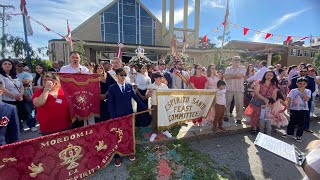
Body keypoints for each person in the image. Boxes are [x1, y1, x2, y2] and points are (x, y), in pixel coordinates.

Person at [108, 68, 148, 167]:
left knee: (129, 134)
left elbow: (136, 99)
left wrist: (145, 108)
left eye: (125, 75)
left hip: (129, 116)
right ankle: (117, 156)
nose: (123, 77)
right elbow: (110, 104)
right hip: (117, 117)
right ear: (117, 75)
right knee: (118, 136)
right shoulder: (112, 88)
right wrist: (113, 117)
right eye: (121, 75)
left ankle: (130, 151)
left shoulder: (129, 87)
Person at [283, 77, 311, 143]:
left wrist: (302, 91)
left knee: (301, 123)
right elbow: (289, 99)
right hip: (294, 109)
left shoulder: (308, 91)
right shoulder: (293, 91)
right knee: (292, 121)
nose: (302, 85)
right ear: (297, 84)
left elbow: (306, 99)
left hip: (303, 109)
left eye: (304, 84)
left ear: (306, 84)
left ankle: (299, 135)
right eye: (300, 83)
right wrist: (288, 108)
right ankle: (289, 133)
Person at [146, 72, 172, 142]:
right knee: (155, 119)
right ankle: (154, 132)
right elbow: (147, 96)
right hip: (155, 105)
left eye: (161, 78)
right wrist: (150, 92)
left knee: (164, 118)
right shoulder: (151, 86)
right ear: (155, 78)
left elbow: (168, 95)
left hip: (163, 105)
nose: (161, 79)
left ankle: (164, 130)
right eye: (160, 78)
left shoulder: (164, 86)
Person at [289, 67, 315, 133]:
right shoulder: (294, 79)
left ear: (307, 71)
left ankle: (306, 127)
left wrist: (304, 92)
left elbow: (313, 89)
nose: (303, 72)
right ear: (299, 71)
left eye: (304, 71)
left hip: (306, 99)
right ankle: (294, 127)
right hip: (295, 99)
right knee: (294, 114)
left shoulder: (311, 79)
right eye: (301, 71)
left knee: (306, 114)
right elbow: (291, 88)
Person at [0, 59, 24, 131]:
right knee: (6, 119)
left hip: (18, 100)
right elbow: (1, 88)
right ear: (1, 66)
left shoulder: (15, 76)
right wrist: (14, 96)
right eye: (5, 64)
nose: (7, 65)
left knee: (18, 117)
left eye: (9, 64)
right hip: (7, 101)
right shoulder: (1, 76)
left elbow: (21, 86)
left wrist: (21, 95)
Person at [224, 56, 246, 124]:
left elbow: (240, 76)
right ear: (232, 61)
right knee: (227, 103)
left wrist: (231, 76)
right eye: (235, 60)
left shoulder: (243, 68)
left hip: (239, 89)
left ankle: (239, 118)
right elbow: (226, 77)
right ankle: (226, 116)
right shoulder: (228, 68)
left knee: (239, 104)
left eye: (238, 60)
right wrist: (235, 76)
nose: (237, 61)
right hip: (229, 88)